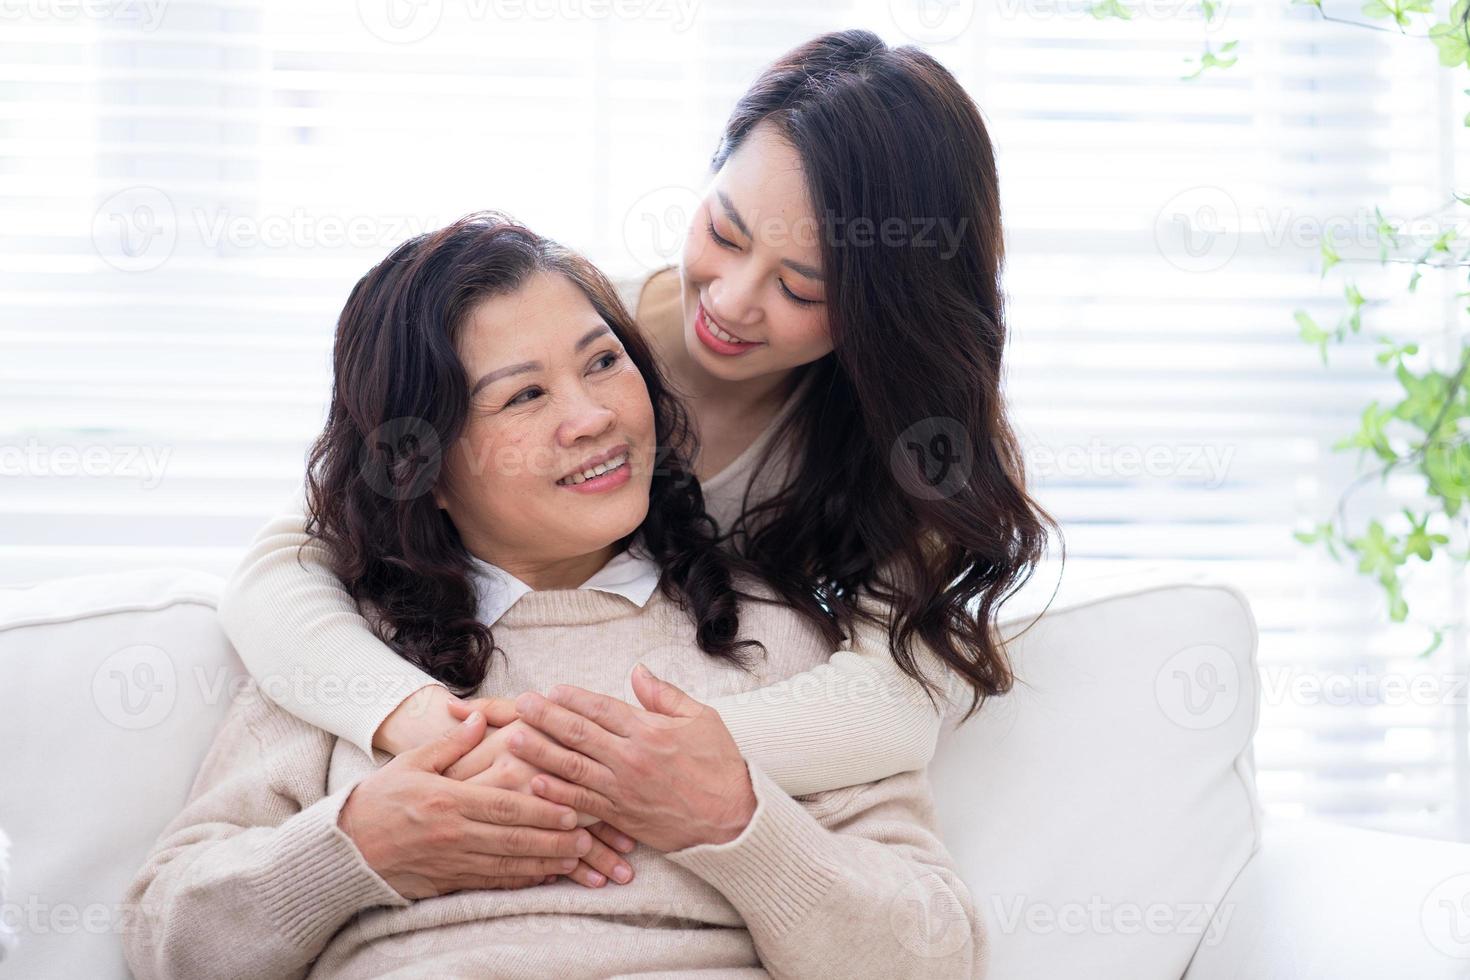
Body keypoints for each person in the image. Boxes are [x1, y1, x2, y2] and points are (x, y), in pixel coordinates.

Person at [216, 29, 1059, 889]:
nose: (731, 301)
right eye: (724, 234)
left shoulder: (917, 445)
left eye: (801, 287)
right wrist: (433, 725)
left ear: (891, 307)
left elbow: (893, 706)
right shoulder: (567, 333)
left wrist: (625, 765)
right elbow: (287, 564)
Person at [124, 214, 984, 979]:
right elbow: (171, 947)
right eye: (525, 395)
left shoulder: (776, 639)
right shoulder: (338, 660)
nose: (593, 416)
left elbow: (935, 955)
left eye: (604, 362)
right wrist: (356, 847)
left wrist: (737, 822)